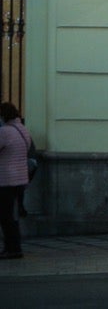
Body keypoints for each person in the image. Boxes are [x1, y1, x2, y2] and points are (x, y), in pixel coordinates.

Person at [0, 101, 32, 259]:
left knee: (5, 217)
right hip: (21, 179)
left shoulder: (5, 131)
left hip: (6, 179)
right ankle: (15, 247)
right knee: (13, 216)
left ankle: (11, 248)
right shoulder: (23, 129)